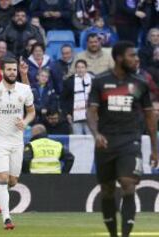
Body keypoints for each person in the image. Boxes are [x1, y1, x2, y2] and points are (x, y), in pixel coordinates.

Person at [86, 41, 158, 237]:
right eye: (132, 55)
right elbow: (91, 112)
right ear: (119, 58)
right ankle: (113, 235)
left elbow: (150, 116)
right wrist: (96, 134)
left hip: (130, 141)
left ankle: (125, 235)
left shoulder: (139, 83)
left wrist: (154, 148)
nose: (136, 59)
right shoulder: (100, 82)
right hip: (106, 142)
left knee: (128, 184)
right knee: (108, 190)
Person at [0, 57, 35, 229]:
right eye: (9, 69)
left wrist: (25, 122)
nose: (12, 72)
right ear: (2, 72)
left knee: (12, 182)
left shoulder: (25, 89)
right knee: (3, 178)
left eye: (14, 69)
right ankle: (7, 219)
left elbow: (31, 112)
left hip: (17, 142)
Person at [61, 59, 93, 135]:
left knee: (90, 140)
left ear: (86, 68)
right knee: (77, 140)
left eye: (82, 67)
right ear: (75, 69)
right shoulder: (69, 81)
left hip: (90, 117)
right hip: (74, 116)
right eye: (78, 67)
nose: (80, 69)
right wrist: (67, 114)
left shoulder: (93, 81)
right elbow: (63, 99)